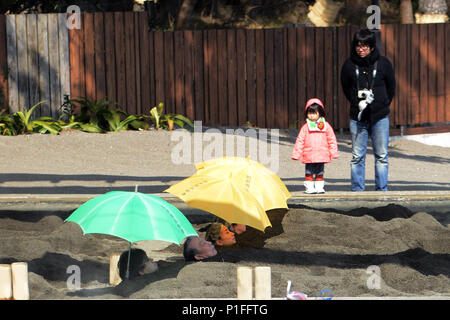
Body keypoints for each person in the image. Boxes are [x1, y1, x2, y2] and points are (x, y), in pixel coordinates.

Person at [340, 28, 396, 191]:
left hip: (380, 117)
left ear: (372, 46)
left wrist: (383, 103)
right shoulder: (349, 65)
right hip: (357, 118)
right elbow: (345, 87)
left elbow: (391, 87)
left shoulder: (383, 63)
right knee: (357, 157)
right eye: (358, 46)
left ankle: (382, 190)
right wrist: (355, 101)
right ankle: (357, 190)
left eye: (365, 46)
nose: (361, 49)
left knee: (382, 156)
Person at [291, 98, 339, 194]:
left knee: (320, 173)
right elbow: (300, 140)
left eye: (314, 113)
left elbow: (331, 139)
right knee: (309, 172)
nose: (311, 116)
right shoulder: (305, 127)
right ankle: (309, 187)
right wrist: (296, 154)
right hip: (309, 155)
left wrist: (334, 152)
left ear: (320, 113)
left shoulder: (326, 126)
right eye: (310, 113)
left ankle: (319, 187)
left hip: (321, 155)